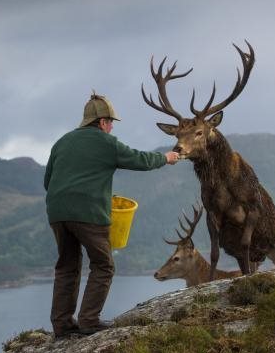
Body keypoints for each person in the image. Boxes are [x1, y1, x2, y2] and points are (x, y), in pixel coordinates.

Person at [44, 92, 180, 339]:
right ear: (103, 122)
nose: (112, 127)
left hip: (57, 212)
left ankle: (62, 325)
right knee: (103, 265)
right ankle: (88, 321)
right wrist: (166, 158)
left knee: (67, 266)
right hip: (88, 213)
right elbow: (140, 159)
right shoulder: (107, 143)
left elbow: (48, 181)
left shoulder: (62, 142)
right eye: (111, 123)